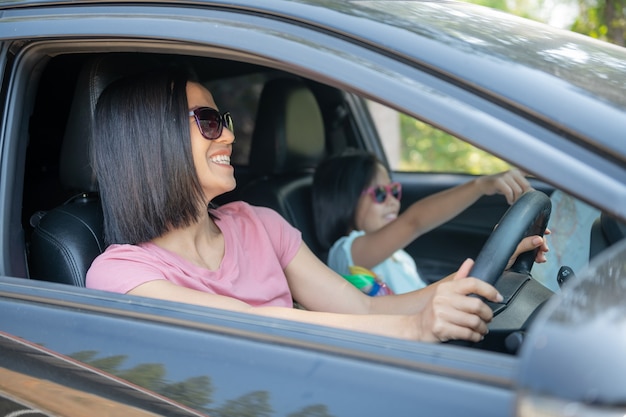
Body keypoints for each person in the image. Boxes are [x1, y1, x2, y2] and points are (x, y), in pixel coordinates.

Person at [86, 67, 546, 344]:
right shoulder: (119, 273)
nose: (228, 134)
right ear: (149, 142)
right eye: (208, 121)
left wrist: (485, 272)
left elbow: (363, 311)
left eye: (223, 120)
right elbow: (252, 325)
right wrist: (416, 329)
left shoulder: (259, 224)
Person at [313, 149, 549, 294]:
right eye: (380, 194)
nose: (392, 201)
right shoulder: (345, 253)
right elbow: (413, 222)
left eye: (394, 191)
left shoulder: (398, 255)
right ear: (344, 201)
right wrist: (479, 186)